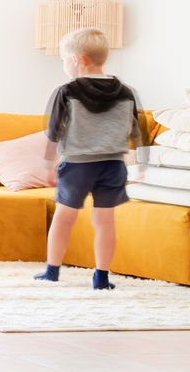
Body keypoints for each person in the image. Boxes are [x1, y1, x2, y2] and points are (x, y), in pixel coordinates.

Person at [33, 26, 144, 290]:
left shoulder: (67, 91)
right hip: (113, 166)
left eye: (63, 59)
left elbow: (54, 130)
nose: (63, 64)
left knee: (63, 218)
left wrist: (48, 165)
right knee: (105, 222)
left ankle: (52, 271)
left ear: (78, 59)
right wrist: (138, 166)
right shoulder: (126, 92)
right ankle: (101, 278)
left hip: (77, 166)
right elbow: (137, 130)